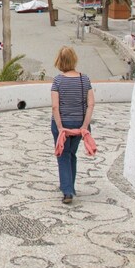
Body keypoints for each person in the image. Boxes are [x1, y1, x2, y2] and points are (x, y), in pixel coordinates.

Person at [50, 46, 95, 204]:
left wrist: (60, 127)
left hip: (63, 123)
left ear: (60, 61)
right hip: (78, 124)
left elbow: (55, 106)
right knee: (71, 154)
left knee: (62, 155)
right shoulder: (85, 79)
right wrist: (84, 126)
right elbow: (91, 104)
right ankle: (71, 186)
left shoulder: (58, 81)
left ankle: (67, 191)